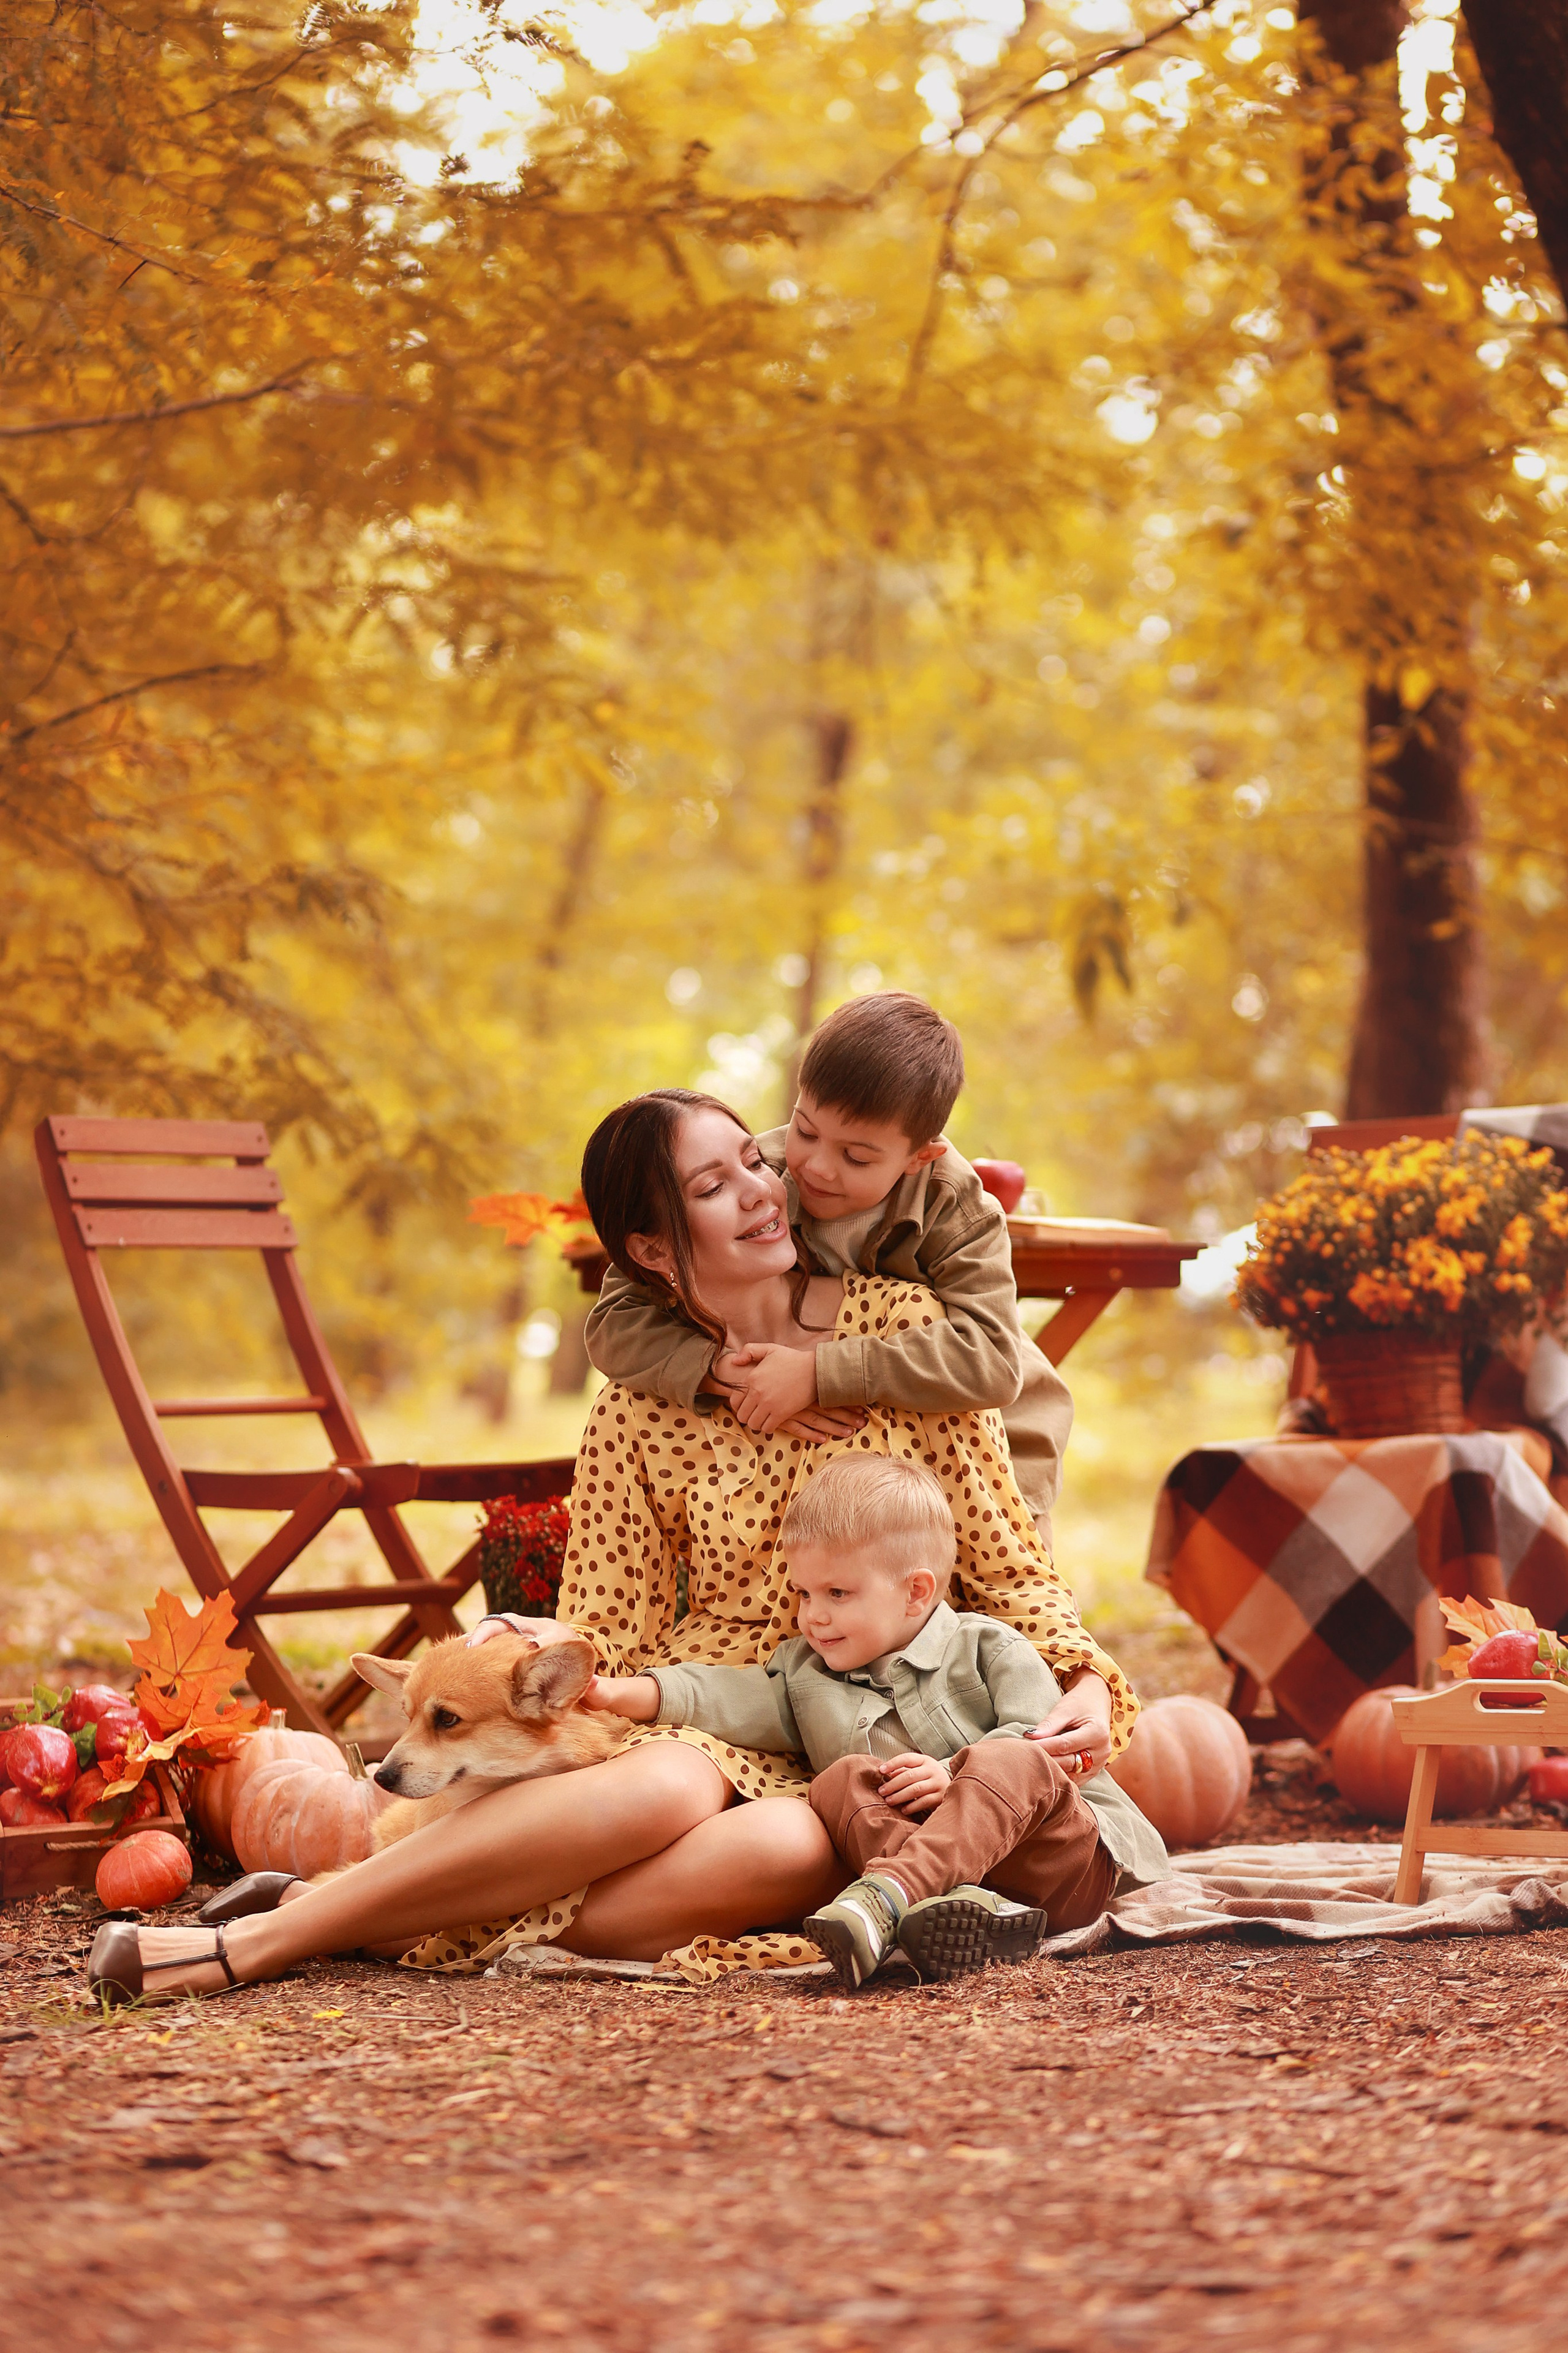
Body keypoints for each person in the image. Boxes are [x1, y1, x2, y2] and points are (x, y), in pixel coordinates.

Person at [88, 1089, 1135, 2006]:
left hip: (861, 1755)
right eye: (715, 1187)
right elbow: (610, 1632)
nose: (765, 1191)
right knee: (677, 1787)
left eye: (754, 1163)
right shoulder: (640, 1404)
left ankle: (363, 1911)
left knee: (794, 1840)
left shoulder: (905, 1331)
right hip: (705, 1715)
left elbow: (1007, 1562)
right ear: (649, 1248)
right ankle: (261, 1942)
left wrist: (1082, 1675)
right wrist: (546, 1648)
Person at [586, 1454, 1166, 1989]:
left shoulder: (990, 1647)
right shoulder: (803, 1676)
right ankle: (955, 1913)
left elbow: (1046, 1751)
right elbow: (716, 1694)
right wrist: (616, 1692)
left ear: (915, 1592)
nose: (813, 1615)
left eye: (837, 1592)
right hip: (970, 1891)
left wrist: (954, 1774)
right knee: (840, 1780)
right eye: (804, 1592)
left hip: (1058, 1862)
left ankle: (887, 1898)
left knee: (1011, 1755)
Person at [586, 990, 1074, 1542]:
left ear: (920, 1157)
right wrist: (722, 1370)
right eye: (806, 1130)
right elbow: (612, 1321)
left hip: (1000, 1443)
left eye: (857, 1157)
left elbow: (992, 1362)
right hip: (872, 1453)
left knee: (991, 1594)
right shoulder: (759, 1172)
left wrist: (819, 1374)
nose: (816, 1167)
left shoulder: (957, 1211)